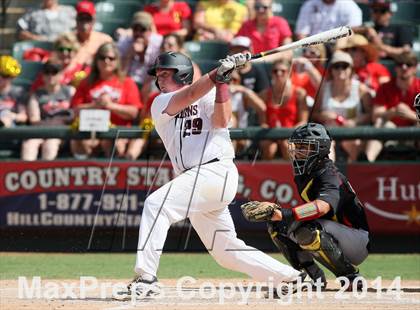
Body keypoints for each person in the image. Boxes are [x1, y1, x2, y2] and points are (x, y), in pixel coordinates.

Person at [114, 51, 302, 300]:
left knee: (156, 205)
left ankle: (146, 277)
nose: (158, 78)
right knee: (224, 251)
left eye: (165, 73)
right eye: (157, 74)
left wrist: (222, 82)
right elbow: (190, 95)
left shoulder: (209, 93)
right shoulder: (159, 102)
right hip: (196, 180)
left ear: (182, 74)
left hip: (215, 171)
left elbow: (222, 120)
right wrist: (218, 74)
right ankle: (287, 277)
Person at [240, 123, 371, 290]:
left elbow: (321, 207)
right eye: (297, 146)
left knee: (305, 229)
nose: (298, 151)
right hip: (335, 231)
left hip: (357, 239)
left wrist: (284, 213)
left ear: (321, 149)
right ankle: (312, 276)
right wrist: (280, 215)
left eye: (305, 147)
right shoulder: (307, 172)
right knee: (278, 226)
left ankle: (351, 277)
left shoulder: (329, 174)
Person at [71, 42, 143, 159]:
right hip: (91, 131)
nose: (106, 61)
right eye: (102, 57)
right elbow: (75, 110)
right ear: (96, 60)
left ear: (117, 61)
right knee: (80, 142)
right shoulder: (86, 82)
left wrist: (110, 105)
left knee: (114, 145)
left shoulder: (127, 82)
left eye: (111, 58)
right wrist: (95, 105)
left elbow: (133, 113)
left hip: (118, 133)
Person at [313, 51, 372, 162]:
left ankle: (356, 174)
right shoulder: (323, 89)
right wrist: (323, 116)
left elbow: (370, 114)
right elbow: (314, 114)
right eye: (336, 66)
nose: (340, 70)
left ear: (351, 69)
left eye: (344, 66)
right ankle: (330, 176)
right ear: (331, 70)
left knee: (354, 143)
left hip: (352, 132)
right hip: (328, 133)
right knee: (326, 147)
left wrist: (355, 121)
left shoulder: (361, 89)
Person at [365, 51, 419, 162]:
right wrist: (394, 111)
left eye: (408, 64)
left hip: (414, 132)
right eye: (400, 64)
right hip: (390, 131)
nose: (404, 67)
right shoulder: (385, 87)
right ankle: (368, 162)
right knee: (380, 122)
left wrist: (410, 115)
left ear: (415, 68)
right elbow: (375, 116)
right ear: (395, 68)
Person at [21, 61, 74, 161]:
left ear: (61, 75)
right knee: (29, 145)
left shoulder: (69, 92)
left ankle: (46, 175)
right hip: (41, 131)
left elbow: (75, 113)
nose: (50, 76)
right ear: (43, 75)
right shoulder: (36, 95)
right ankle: (26, 174)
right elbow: (34, 119)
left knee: (50, 144)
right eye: (47, 72)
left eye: (54, 72)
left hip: (62, 132)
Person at [259, 58, 308, 160]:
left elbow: (303, 121)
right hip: (270, 133)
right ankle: (265, 175)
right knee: (269, 148)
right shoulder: (264, 95)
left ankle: (292, 175)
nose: (279, 74)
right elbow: (262, 122)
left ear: (289, 73)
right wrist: (274, 133)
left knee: (287, 146)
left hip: (292, 133)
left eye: (283, 71)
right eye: (275, 71)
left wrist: (287, 133)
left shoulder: (299, 93)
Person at [67, 1, 113, 70]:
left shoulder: (104, 40)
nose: (84, 23)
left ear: (94, 20)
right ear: (76, 19)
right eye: (81, 18)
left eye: (88, 19)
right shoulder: (67, 39)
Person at [295, 0, 362, 40]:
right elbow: (301, 33)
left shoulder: (350, 5)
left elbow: (353, 31)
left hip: (339, 46)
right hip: (314, 45)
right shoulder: (309, 4)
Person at [0, 56, 27, 128]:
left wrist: (12, 116)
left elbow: (23, 116)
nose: (0, 78)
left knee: (5, 114)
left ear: (12, 77)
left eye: (4, 75)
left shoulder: (18, 92)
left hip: (11, 129)